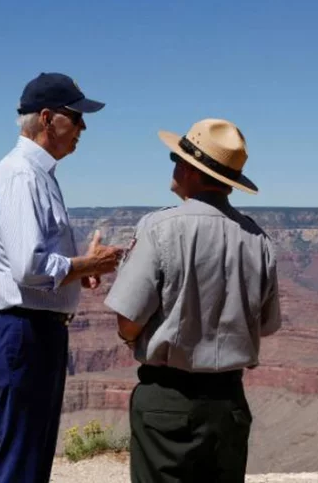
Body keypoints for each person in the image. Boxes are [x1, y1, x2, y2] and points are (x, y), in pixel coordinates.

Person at [104, 118, 282, 483]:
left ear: (192, 170)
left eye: (176, 158)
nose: (173, 165)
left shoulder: (158, 229)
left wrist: (130, 339)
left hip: (168, 403)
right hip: (228, 403)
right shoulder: (258, 240)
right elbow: (266, 324)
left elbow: (128, 320)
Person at [0, 72, 124, 482]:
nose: (83, 127)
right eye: (76, 117)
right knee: (22, 466)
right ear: (47, 119)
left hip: (36, 332)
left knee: (32, 461)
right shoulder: (22, 176)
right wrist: (86, 266)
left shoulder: (38, 175)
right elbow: (29, 267)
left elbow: (38, 264)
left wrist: (77, 272)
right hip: (23, 334)